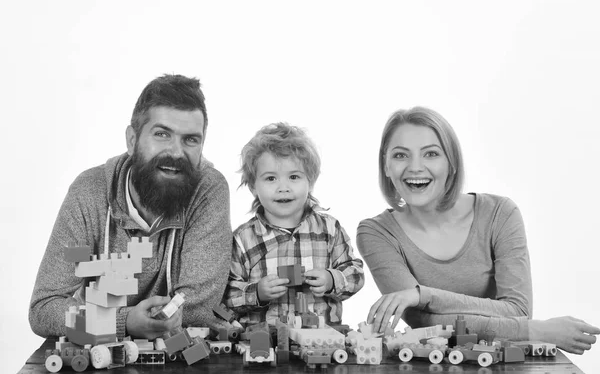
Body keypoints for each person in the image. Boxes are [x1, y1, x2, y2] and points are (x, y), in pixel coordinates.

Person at [357, 106, 599, 354]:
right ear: (386, 166)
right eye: (400, 155)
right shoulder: (376, 233)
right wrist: (533, 330)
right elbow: (424, 323)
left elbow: (518, 310)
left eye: (430, 154)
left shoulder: (500, 214)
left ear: (452, 163)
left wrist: (423, 295)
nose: (415, 167)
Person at [29, 74, 232, 341]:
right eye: (162, 134)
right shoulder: (89, 193)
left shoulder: (208, 190)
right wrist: (122, 322)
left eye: (190, 140)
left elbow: (197, 311)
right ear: (132, 139)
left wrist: (101, 320)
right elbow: (44, 308)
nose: (176, 152)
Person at [223, 123, 364, 326]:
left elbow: (356, 273)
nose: (283, 188)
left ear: (311, 181)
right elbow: (226, 292)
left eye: (294, 177)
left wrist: (332, 279)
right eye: (271, 178)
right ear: (253, 186)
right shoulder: (243, 238)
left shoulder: (329, 230)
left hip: (319, 340)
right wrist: (258, 293)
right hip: (264, 342)